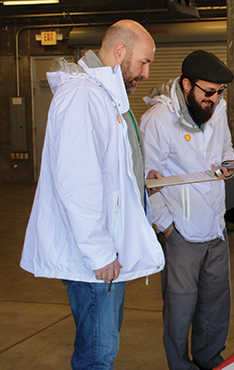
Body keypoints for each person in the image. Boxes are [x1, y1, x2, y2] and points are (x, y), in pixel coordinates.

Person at [19, 20, 165, 369]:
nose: (146, 73)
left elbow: (112, 168)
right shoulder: (82, 96)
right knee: (96, 356)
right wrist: (100, 253)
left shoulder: (106, 96)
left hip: (107, 252)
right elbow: (77, 181)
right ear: (120, 52)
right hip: (95, 261)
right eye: (143, 62)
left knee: (101, 350)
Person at [141, 50, 234, 370]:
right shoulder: (157, 119)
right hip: (181, 231)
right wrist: (167, 227)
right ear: (186, 85)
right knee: (180, 308)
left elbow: (225, 145)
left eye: (219, 92)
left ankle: (209, 359)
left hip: (215, 225)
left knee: (216, 304)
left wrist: (228, 162)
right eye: (208, 92)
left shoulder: (217, 107)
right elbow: (146, 178)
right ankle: (180, 365)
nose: (214, 99)